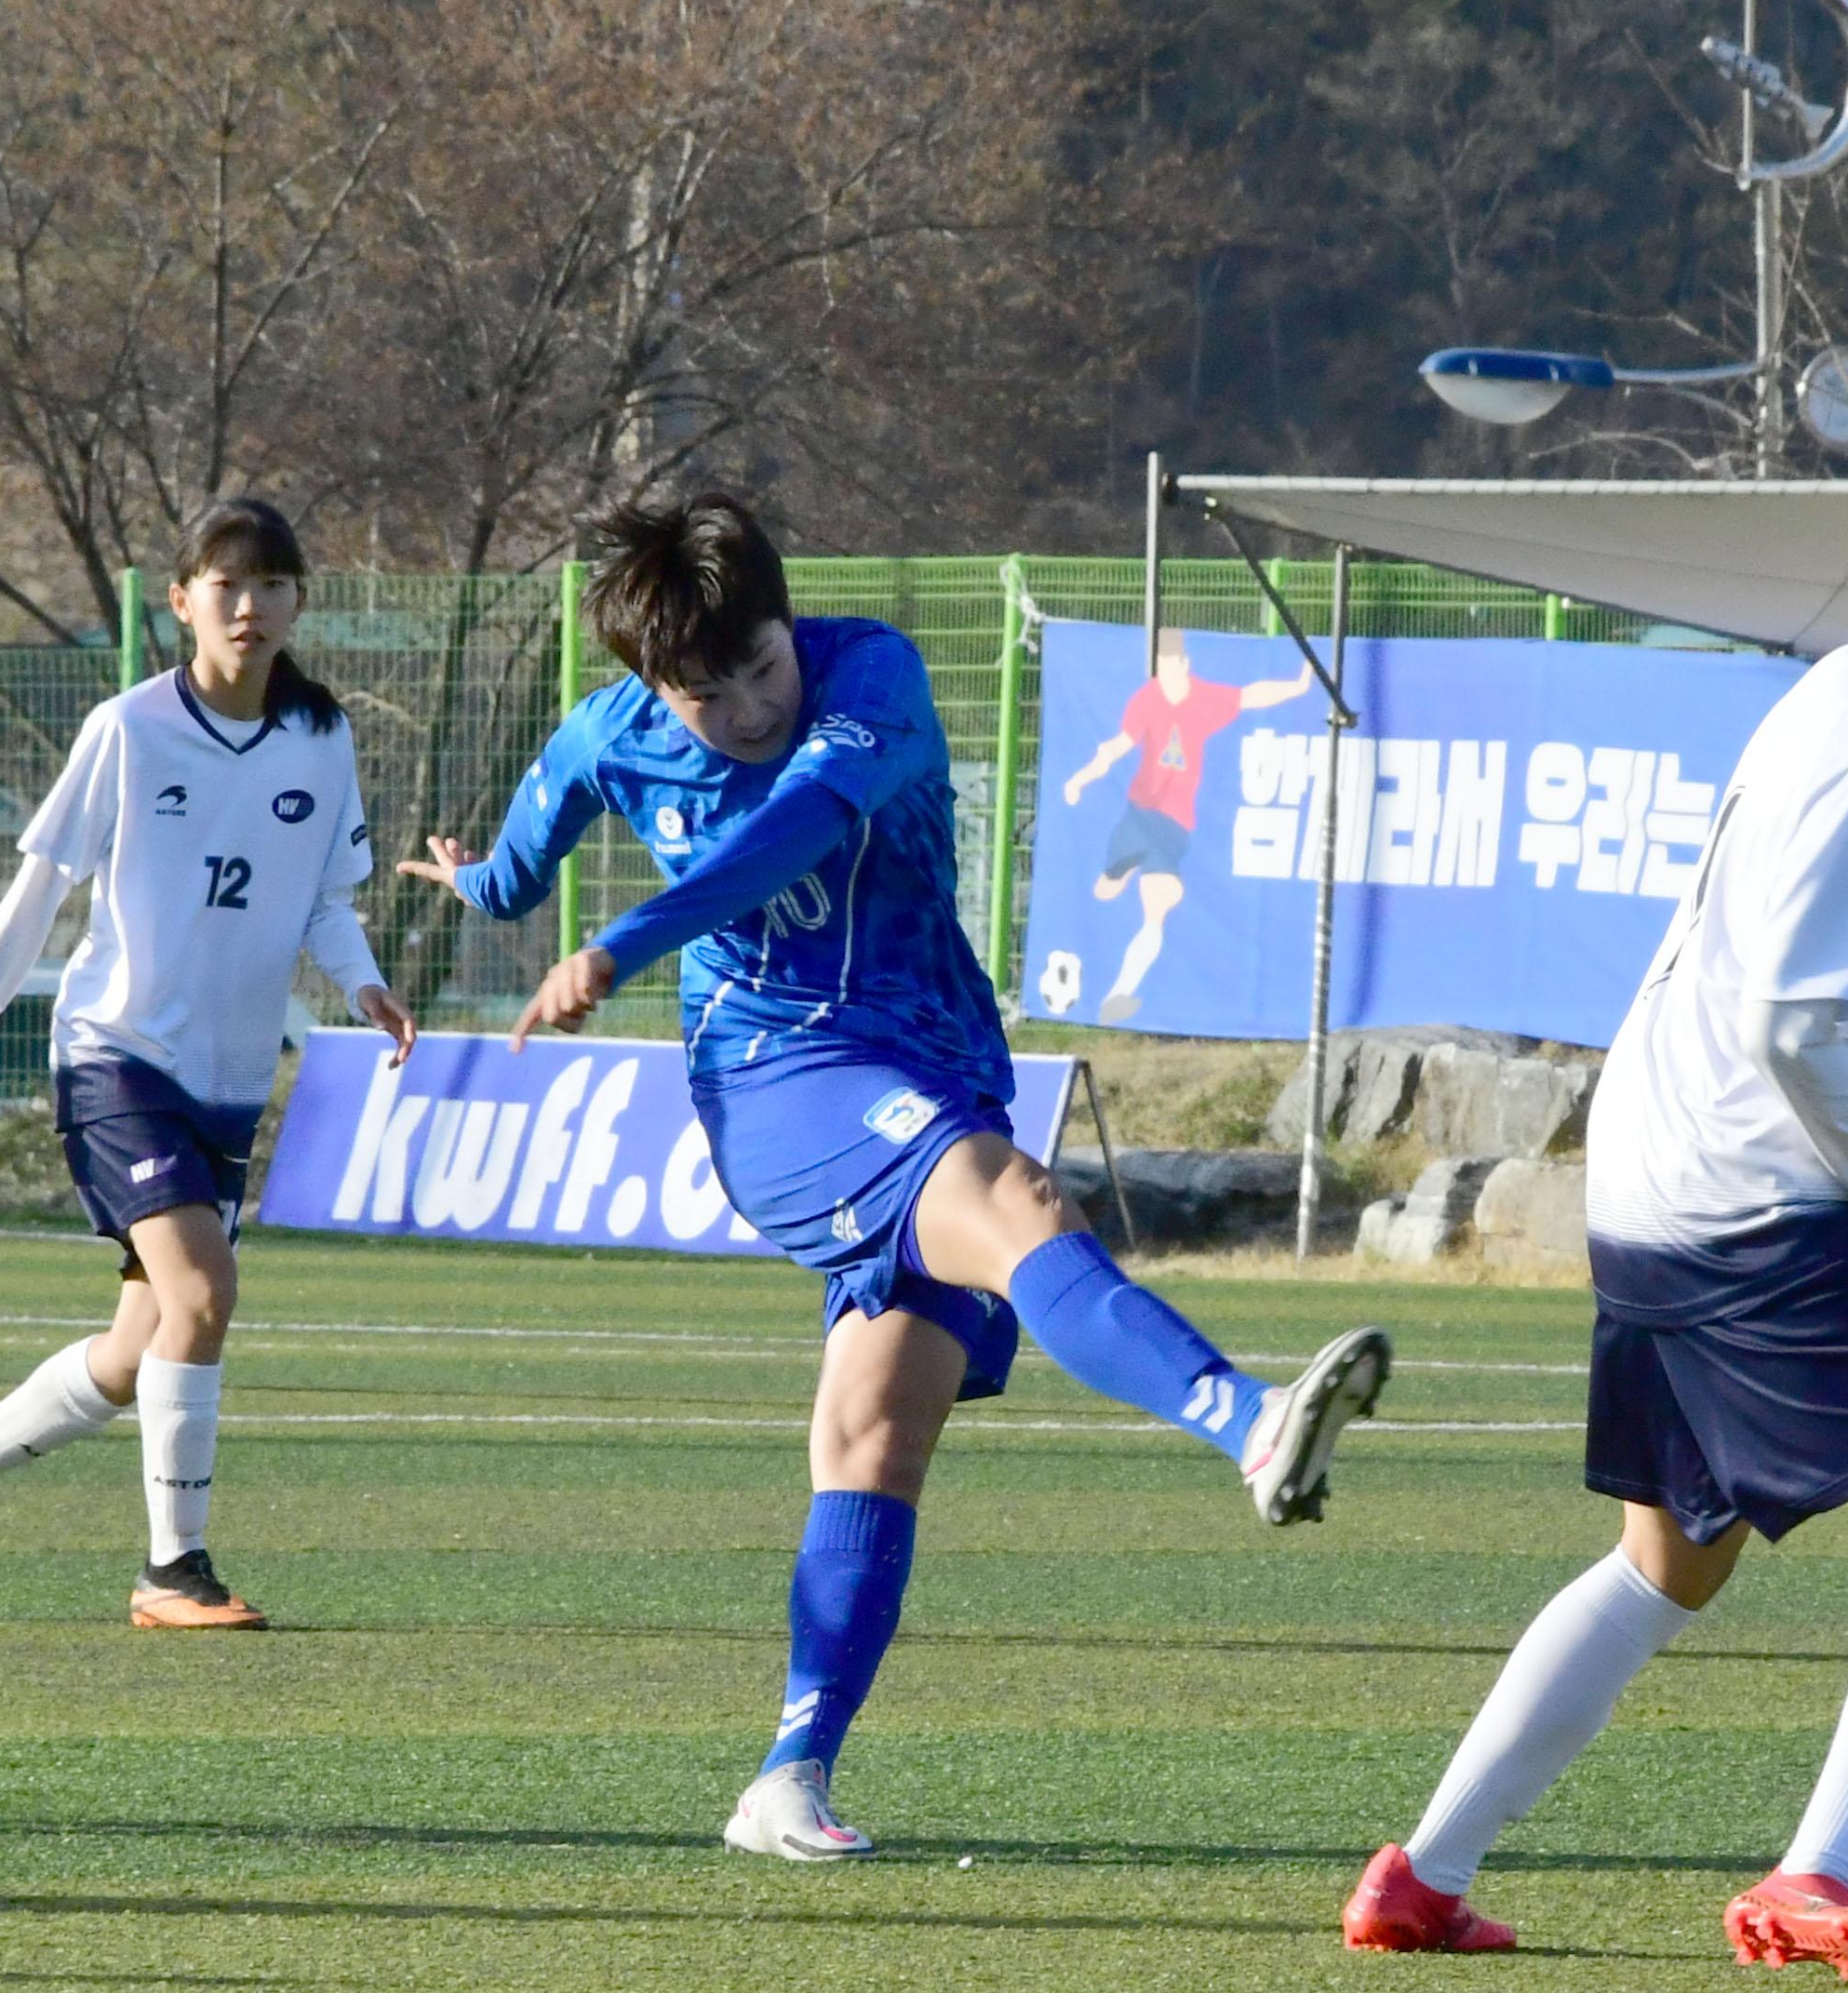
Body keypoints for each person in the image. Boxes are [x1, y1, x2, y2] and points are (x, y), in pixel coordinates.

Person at [401, 492, 1391, 1862]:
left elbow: (797, 825)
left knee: (878, 1431)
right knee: (1023, 1204)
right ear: (647, 683)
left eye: (762, 664)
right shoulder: (604, 738)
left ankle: (788, 1774)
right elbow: (517, 876)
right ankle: (1250, 1423)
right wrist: (476, 888)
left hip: (929, 1059)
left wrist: (622, 943)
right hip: (775, 1077)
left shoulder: (871, 677)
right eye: (709, 691)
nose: (750, 706)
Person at [1340, 421, 1848, 1987]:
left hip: (1661, 1186)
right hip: (1755, 1208)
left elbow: (1781, 962)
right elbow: (1791, 1023)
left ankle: (1421, 1872)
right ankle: (1817, 1870)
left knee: (1663, 1564)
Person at [0, 497, 415, 1628]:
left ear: (296, 603)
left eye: (272, 584)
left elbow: (324, 898)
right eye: (225, 584)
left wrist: (362, 979)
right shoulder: (127, 729)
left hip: (228, 1076)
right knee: (203, 1292)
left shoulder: (322, 739)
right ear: (180, 602)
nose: (249, 605)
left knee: (141, 1349)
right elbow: (38, 894)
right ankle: (173, 1570)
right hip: (117, 1057)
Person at [1054, 633, 1319, 1022]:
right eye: (1160, 665)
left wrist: (1297, 687)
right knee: (1106, 890)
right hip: (1138, 814)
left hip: (1174, 824)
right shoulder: (1146, 699)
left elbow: (1251, 695)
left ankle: (1119, 994)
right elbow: (1117, 746)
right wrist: (1082, 778)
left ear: (1184, 664)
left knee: (1158, 905)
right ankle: (1115, 879)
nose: (1166, 673)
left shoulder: (1205, 698)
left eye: (1172, 664)